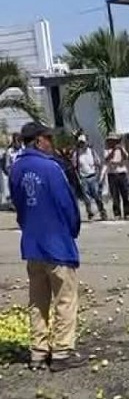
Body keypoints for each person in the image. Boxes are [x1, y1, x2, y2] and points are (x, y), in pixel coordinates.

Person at [9, 122, 84, 372]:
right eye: (49, 139)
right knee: (65, 298)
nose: (52, 144)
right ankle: (62, 352)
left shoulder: (16, 168)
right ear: (39, 141)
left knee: (38, 300)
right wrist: (72, 231)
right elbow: (67, 204)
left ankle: (38, 352)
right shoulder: (51, 168)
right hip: (57, 244)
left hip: (32, 245)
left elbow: (19, 207)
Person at [71, 134, 107, 221]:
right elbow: (74, 166)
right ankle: (90, 213)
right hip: (83, 178)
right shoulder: (77, 154)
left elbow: (98, 163)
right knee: (86, 198)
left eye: (83, 143)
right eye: (80, 143)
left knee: (97, 196)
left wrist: (100, 176)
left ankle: (102, 212)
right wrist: (78, 177)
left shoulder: (92, 152)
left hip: (93, 176)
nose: (82, 145)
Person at [104, 133, 129, 220]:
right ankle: (117, 214)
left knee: (125, 194)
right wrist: (113, 151)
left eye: (114, 141)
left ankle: (127, 213)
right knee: (115, 195)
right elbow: (107, 159)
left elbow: (125, 157)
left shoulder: (121, 149)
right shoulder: (107, 150)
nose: (112, 143)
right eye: (110, 141)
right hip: (112, 174)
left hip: (121, 173)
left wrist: (120, 149)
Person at [1, 133, 22, 208]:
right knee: (13, 189)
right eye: (16, 140)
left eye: (19, 140)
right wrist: (9, 173)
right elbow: (7, 164)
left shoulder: (23, 150)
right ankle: (14, 204)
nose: (17, 142)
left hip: (22, 172)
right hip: (13, 173)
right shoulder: (10, 151)